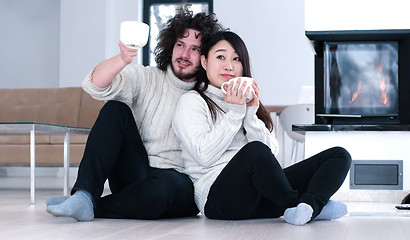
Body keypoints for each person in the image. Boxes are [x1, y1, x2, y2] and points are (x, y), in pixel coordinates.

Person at [45, 6, 223, 221]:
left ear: (205, 57)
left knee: (166, 187)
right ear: (171, 46)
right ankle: (84, 194)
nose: (184, 54)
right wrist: (122, 59)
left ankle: (92, 205)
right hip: (136, 174)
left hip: (177, 184)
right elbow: (94, 85)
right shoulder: (148, 77)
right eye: (180, 45)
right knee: (115, 108)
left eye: (194, 49)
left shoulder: (210, 95)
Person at [172, 31, 352, 226]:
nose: (229, 66)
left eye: (236, 59)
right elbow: (203, 155)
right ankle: (298, 204)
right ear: (205, 62)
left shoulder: (246, 103)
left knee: (339, 155)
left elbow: (270, 156)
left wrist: (250, 112)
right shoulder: (191, 101)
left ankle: (309, 206)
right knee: (254, 151)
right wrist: (235, 113)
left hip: (262, 197)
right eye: (221, 57)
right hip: (220, 200)